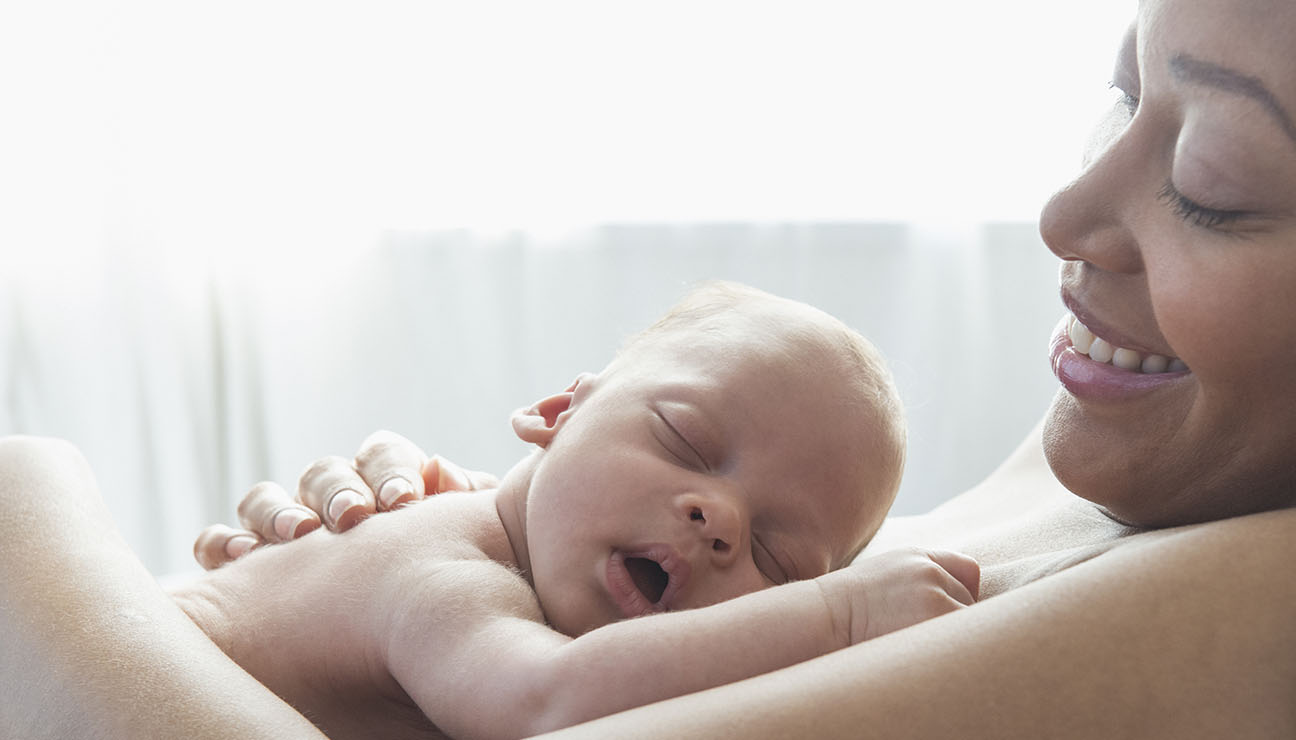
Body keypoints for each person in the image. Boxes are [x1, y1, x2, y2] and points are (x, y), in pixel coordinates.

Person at [5, 0, 1296, 737]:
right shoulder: (1093, 461)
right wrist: (438, 545)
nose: (1066, 215)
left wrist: (41, 549)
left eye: (1217, 184)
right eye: (1125, 100)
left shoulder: (1285, 586)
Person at [8, 282, 983, 739]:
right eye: (685, 441)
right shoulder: (447, 576)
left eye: (775, 557)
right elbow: (546, 700)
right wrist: (838, 615)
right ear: (557, 414)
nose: (716, 518)